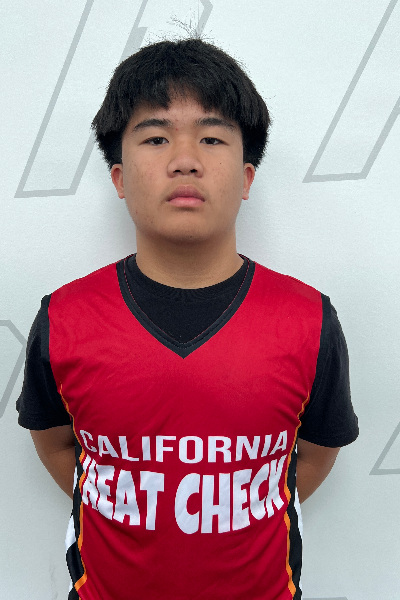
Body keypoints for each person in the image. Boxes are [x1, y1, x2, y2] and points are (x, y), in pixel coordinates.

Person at [16, 34, 359, 600]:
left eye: (211, 137)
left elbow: (317, 453)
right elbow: (56, 445)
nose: (184, 160)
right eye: (155, 137)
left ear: (246, 177)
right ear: (119, 176)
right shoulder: (65, 317)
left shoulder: (307, 319)